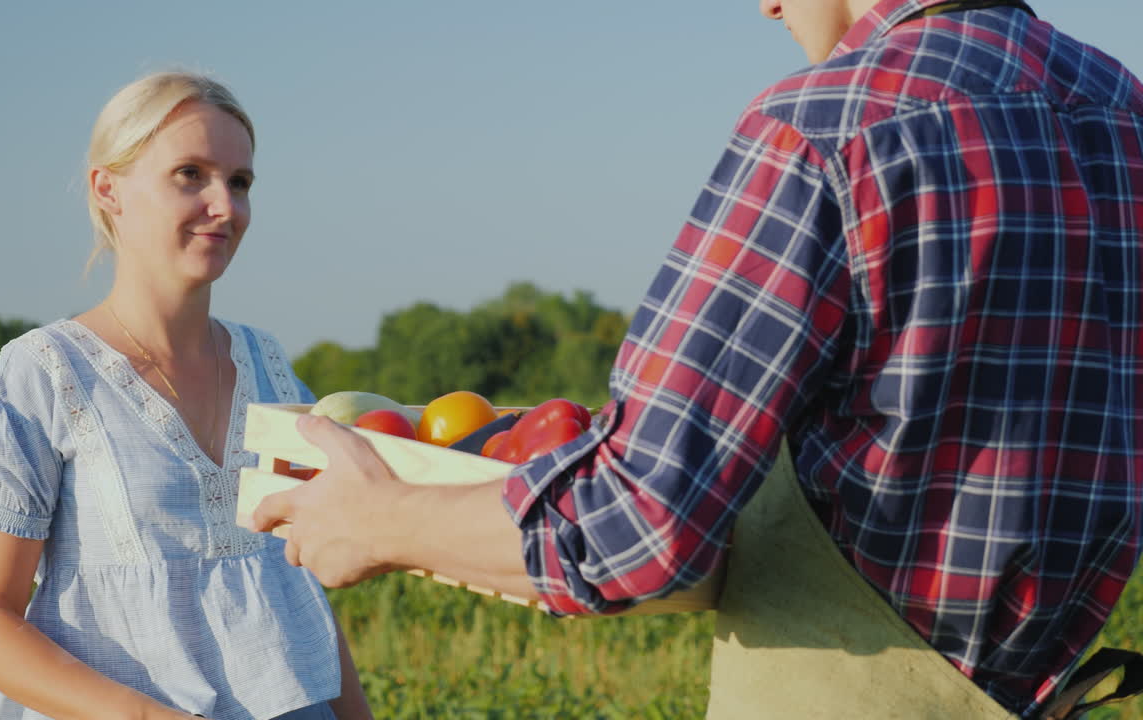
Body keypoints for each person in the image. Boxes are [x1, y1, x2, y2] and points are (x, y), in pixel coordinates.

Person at [250, 1, 1143, 718]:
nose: (767, 7)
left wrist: (380, 520)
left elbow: (636, 525)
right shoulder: (1124, 110)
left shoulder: (825, 126)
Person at [0, 71, 372, 720]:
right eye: (189, 174)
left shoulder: (269, 369)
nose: (224, 206)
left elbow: (295, 585)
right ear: (108, 189)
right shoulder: (45, 377)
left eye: (239, 182)